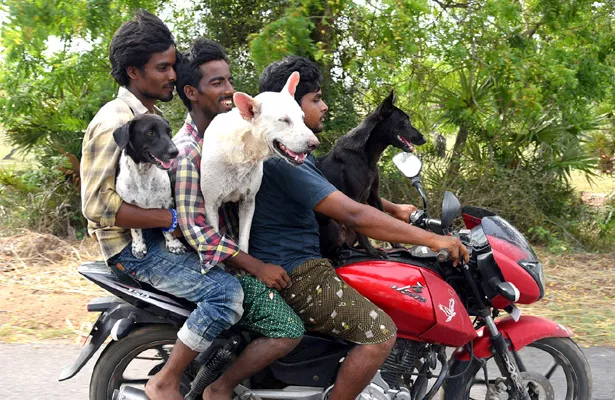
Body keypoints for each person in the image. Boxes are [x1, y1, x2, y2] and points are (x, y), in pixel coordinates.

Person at [249, 56, 469, 400]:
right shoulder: (281, 157)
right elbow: (352, 213)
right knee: (380, 333)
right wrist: (432, 239)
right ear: (290, 101)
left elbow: (337, 194)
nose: (323, 106)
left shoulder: (294, 153)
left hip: (303, 258)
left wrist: (395, 210)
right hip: (296, 268)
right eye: (316, 99)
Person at [80, 11, 242, 400]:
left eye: (173, 66)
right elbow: (97, 205)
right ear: (134, 72)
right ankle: (166, 380)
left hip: (160, 238)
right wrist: (172, 218)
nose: (173, 75)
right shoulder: (114, 121)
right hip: (134, 249)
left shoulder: (148, 117)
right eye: (163, 68)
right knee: (227, 294)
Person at [172, 38, 304, 400]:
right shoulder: (188, 153)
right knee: (288, 328)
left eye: (229, 80)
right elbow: (198, 230)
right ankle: (219, 388)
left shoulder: (239, 138)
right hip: (217, 267)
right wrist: (255, 266)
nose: (229, 90)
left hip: (237, 258)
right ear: (191, 92)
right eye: (217, 83)